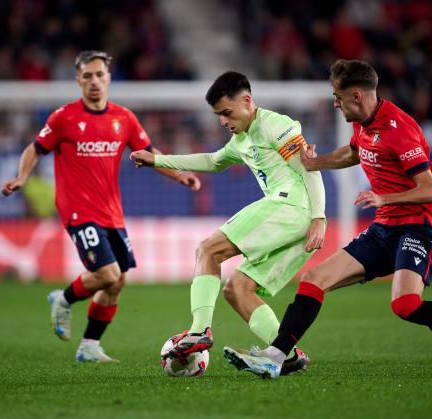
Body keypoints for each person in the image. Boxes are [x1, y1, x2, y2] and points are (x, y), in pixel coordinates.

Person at [222, 59, 432, 379]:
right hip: (384, 228)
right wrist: (315, 162)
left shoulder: (399, 130)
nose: (334, 102)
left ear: (358, 97)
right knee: (313, 280)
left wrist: (384, 198)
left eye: (338, 96)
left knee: (405, 305)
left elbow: (431, 191)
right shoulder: (362, 123)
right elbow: (352, 153)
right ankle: (276, 356)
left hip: (417, 227)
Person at [2, 51, 200, 363]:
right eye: (87, 76)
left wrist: (179, 174)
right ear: (78, 80)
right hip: (77, 210)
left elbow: (148, 153)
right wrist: (21, 177)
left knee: (118, 281)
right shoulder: (63, 118)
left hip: (111, 211)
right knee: (107, 274)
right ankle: (63, 299)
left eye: (99, 75)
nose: (94, 81)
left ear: (109, 78)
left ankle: (89, 345)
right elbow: (35, 148)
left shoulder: (124, 119)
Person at [130, 71, 326, 375]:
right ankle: (285, 354)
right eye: (218, 115)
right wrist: (159, 160)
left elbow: (310, 169)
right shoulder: (240, 140)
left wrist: (319, 217)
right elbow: (211, 161)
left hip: (292, 207)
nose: (223, 120)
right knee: (238, 288)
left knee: (208, 250)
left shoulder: (277, 125)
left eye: (227, 112)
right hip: (296, 222)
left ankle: (199, 330)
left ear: (247, 101)